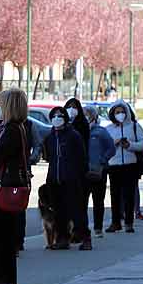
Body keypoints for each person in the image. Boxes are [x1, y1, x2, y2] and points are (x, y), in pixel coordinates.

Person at [0, 88, 32, 284]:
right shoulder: (19, 128)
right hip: (11, 184)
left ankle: (0, 281)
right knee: (6, 235)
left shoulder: (10, 130)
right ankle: (8, 280)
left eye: (0, 105)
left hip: (4, 187)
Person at [42, 105, 88, 251]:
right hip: (54, 179)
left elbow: (82, 157)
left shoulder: (73, 135)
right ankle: (62, 238)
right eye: (54, 116)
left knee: (76, 210)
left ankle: (85, 237)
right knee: (59, 211)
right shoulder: (50, 137)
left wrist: (80, 175)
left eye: (60, 115)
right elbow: (47, 156)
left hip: (71, 178)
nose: (57, 118)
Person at [104, 99, 143, 233]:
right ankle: (115, 222)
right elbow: (104, 147)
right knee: (115, 194)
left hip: (130, 164)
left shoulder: (134, 126)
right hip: (114, 165)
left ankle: (129, 222)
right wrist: (114, 144)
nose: (120, 114)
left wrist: (130, 146)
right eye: (117, 112)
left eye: (122, 111)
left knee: (129, 194)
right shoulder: (108, 129)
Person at [64, 97, 94, 243]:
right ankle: (68, 232)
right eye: (68, 106)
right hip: (64, 171)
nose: (71, 109)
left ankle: (82, 233)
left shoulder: (82, 125)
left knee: (80, 204)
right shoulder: (61, 127)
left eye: (74, 106)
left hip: (79, 171)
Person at [84, 105, 115, 237]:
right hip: (83, 172)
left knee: (98, 200)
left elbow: (111, 148)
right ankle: (82, 228)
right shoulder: (80, 132)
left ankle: (98, 228)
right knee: (82, 201)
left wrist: (103, 160)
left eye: (88, 115)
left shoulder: (101, 132)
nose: (85, 117)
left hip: (99, 171)